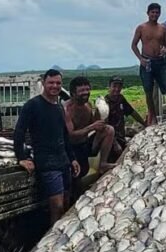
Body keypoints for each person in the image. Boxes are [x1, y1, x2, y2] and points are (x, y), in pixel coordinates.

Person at [14, 69, 81, 226]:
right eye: (51, 82)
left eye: (58, 83)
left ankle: (60, 239)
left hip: (63, 161)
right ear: (43, 83)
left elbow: (64, 135)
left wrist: (72, 159)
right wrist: (21, 158)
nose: (54, 86)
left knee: (65, 204)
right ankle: (52, 243)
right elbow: (19, 131)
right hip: (47, 163)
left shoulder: (59, 108)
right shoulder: (32, 105)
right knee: (56, 207)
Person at [64, 77, 115, 186]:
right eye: (81, 91)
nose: (86, 93)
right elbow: (71, 135)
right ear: (73, 93)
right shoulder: (67, 110)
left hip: (86, 143)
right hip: (72, 148)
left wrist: (100, 113)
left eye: (87, 90)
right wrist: (92, 127)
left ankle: (103, 164)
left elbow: (94, 124)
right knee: (77, 175)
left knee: (109, 130)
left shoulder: (88, 105)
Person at [131, 2, 166, 125]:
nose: (155, 14)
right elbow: (133, 45)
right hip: (147, 61)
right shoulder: (141, 27)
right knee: (148, 91)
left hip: (160, 62)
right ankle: (153, 116)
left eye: (157, 12)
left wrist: (165, 49)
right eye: (152, 12)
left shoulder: (162, 28)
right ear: (148, 13)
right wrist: (140, 59)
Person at [104, 76, 145, 162]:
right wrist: (115, 144)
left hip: (121, 137)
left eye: (119, 86)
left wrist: (145, 124)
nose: (117, 89)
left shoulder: (121, 99)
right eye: (114, 86)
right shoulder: (105, 103)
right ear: (109, 87)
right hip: (110, 142)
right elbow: (105, 126)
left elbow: (132, 112)